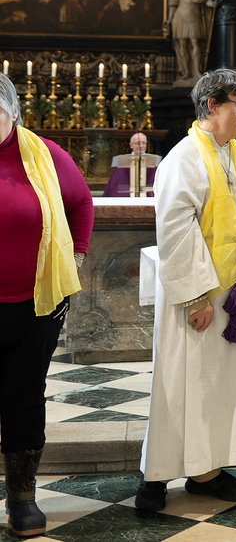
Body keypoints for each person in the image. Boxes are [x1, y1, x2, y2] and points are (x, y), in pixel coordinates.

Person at [136, 69, 236, 512]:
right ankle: (156, 475)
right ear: (212, 105)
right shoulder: (183, 158)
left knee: (219, 388)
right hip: (197, 293)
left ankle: (206, 472)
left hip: (234, 294)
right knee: (179, 383)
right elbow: (176, 231)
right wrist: (196, 297)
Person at [0, 73, 92, 538]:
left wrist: (75, 260)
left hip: (34, 305)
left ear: (13, 113)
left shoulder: (47, 155)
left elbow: (81, 204)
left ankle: (22, 498)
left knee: (23, 397)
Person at [164, 0, 214, 81]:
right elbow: (173, 4)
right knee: (182, 44)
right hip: (180, 17)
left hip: (194, 17)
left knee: (195, 43)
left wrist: (211, 3)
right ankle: (186, 71)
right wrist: (169, 19)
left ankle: (196, 71)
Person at [103, 132, 160, 197]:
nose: (141, 146)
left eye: (144, 143)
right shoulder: (122, 162)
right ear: (131, 145)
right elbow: (114, 188)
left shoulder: (152, 162)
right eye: (138, 143)